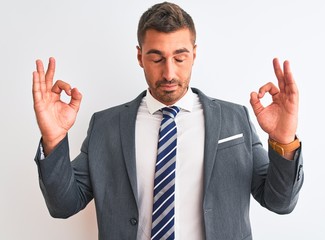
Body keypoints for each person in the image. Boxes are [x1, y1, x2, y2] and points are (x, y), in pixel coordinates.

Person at [32, 2, 303, 240]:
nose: (169, 72)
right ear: (140, 56)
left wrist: (283, 140)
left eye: (180, 57)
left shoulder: (235, 119)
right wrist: (54, 139)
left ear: (194, 55)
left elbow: (280, 202)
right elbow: (63, 205)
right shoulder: (106, 126)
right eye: (157, 58)